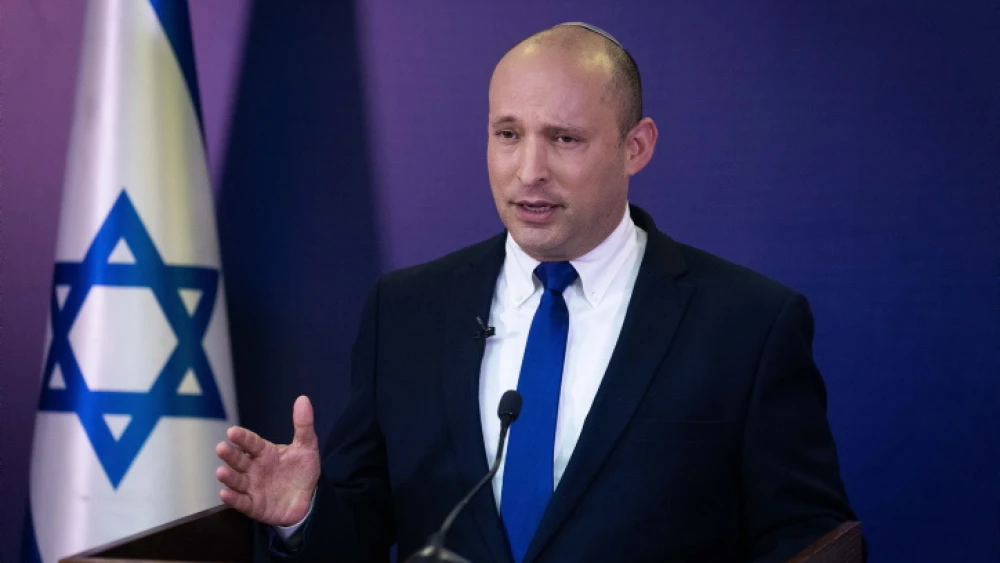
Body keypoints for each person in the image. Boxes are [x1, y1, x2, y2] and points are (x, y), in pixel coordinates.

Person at [215, 22, 857, 563]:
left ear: (636, 147)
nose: (529, 171)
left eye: (564, 138)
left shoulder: (747, 324)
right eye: (509, 134)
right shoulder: (406, 311)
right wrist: (305, 513)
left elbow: (807, 540)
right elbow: (364, 527)